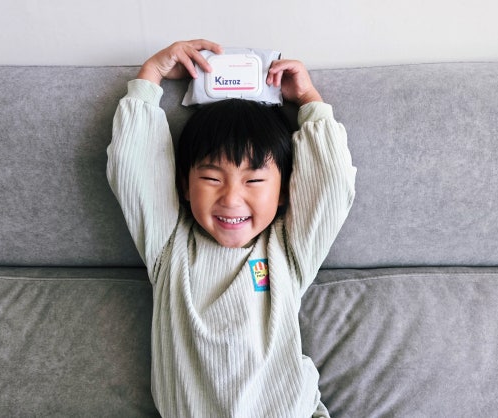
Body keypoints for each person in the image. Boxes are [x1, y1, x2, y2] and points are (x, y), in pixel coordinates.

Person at [107, 39, 356, 417]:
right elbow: (132, 166)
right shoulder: (169, 245)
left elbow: (331, 184)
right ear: (184, 187)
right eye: (211, 178)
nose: (231, 198)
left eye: (253, 181)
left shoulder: (288, 250)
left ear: (284, 192)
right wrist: (151, 74)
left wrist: (308, 100)